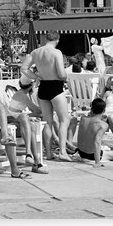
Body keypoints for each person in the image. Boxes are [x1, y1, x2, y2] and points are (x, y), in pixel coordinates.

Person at [21, 30, 72, 161]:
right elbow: (61, 73)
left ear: (46, 39)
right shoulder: (57, 53)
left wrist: (36, 76)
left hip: (43, 86)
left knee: (48, 122)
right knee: (64, 120)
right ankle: (62, 152)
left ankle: (48, 153)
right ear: (57, 40)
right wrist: (66, 78)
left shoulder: (36, 52)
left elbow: (24, 68)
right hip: (55, 87)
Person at [74, 98, 113, 167]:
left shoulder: (83, 118)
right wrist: (97, 162)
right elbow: (97, 142)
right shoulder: (103, 125)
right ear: (104, 110)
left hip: (81, 152)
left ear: (91, 109)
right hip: (91, 155)